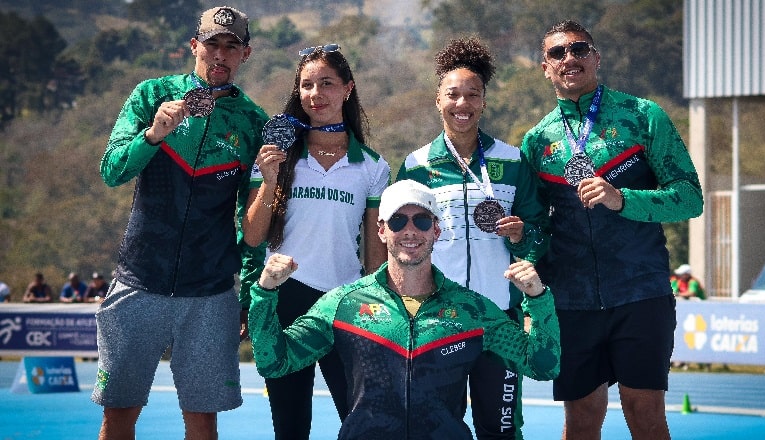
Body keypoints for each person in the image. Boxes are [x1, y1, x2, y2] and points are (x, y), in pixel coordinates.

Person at [248, 179, 561, 439]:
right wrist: (265, 293)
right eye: (398, 221)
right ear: (381, 230)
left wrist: (538, 298)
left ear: (436, 230)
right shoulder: (343, 305)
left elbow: (543, 366)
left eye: (421, 220)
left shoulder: (471, 310)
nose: (410, 231)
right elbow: (274, 363)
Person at [520, 20, 704, 440]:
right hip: (572, 301)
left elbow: (690, 197)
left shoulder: (642, 116)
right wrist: (523, 249)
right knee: (581, 421)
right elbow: (538, 229)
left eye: (579, 49)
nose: (569, 58)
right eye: (557, 53)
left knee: (645, 415)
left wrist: (623, 199)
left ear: (597, 57)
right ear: (545, 68)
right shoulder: (537, 141)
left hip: (640, 293)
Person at [92, 6, 268, 440]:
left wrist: (248, 292)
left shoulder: (253, 122)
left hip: (209, 292)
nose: (220, 55)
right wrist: (152, 136)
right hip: (139, 281)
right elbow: (111, 171)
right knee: (119, 415)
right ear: (194, 46)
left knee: (203, 422)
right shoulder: (152, 94)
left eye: (231, 47)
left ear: (245, 54)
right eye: (212, 44)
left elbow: (251, 225)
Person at [396, 37, 549, 439]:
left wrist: (522, 235)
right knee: (436, 428)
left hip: (499, 319)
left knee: (501, 430)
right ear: (438, 100)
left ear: (484, 101)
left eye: (472, 94)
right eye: (453, 94)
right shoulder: (416, 165)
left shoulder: (512, 160)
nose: (462, 103)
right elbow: (398, 242)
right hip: (437, 319)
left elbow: (539, 234)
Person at [240, 43, 390, 439]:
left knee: (361, 424)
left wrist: (380, 310)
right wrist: (269, 180)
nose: (315, 94)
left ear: (348, 88)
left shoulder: (373, 166)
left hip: (346, 304)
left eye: (327, 83)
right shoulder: (275, 156)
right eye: (307, 85)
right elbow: (252, 236)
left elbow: (375, 254)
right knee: (290, 428)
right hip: (285, 300)